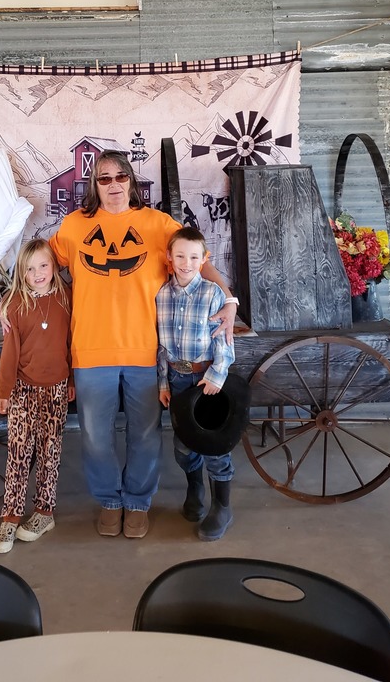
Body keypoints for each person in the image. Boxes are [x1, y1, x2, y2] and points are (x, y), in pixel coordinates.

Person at [49, 149, 237, 540]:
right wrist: (11, 300)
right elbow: (41, 268)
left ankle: (137, 501)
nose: (113, 185)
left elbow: (196, 259)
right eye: (104, 178)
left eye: (121, 177)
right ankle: (109, 500)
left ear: (131, 181)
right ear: (94, 185)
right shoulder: (73, 226)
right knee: (96, 435)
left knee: (145, 434)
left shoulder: (157, 223)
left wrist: (230, 300)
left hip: (147, 352)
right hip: (90, 349)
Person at [0, 239, 74, 555]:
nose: (37, 273)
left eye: (43, 265)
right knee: (19, 452)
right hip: (23, 389)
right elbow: (10, 353)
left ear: (54, 265)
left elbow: (71, 343)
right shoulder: (16, 306)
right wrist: (4, 391)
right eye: (29, 269)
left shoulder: (67, 298)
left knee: (50, 452)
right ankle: (10, 517)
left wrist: (72, 380)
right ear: (21, 274)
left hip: (57, 388)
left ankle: (43, 513)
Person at [156, 226, 236, 541]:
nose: (186, 263)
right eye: (179, 256)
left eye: (193, 257)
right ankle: (194, 489)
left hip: (206, 380)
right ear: (169, 258)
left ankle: (222, 506)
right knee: (184, 442)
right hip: (177, 378)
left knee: (213, 444)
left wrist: (217, 375)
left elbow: (225, 342)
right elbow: (161, 348)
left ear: (204, 259)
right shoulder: (162, 295)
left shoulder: (214, 294)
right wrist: (163, 382)